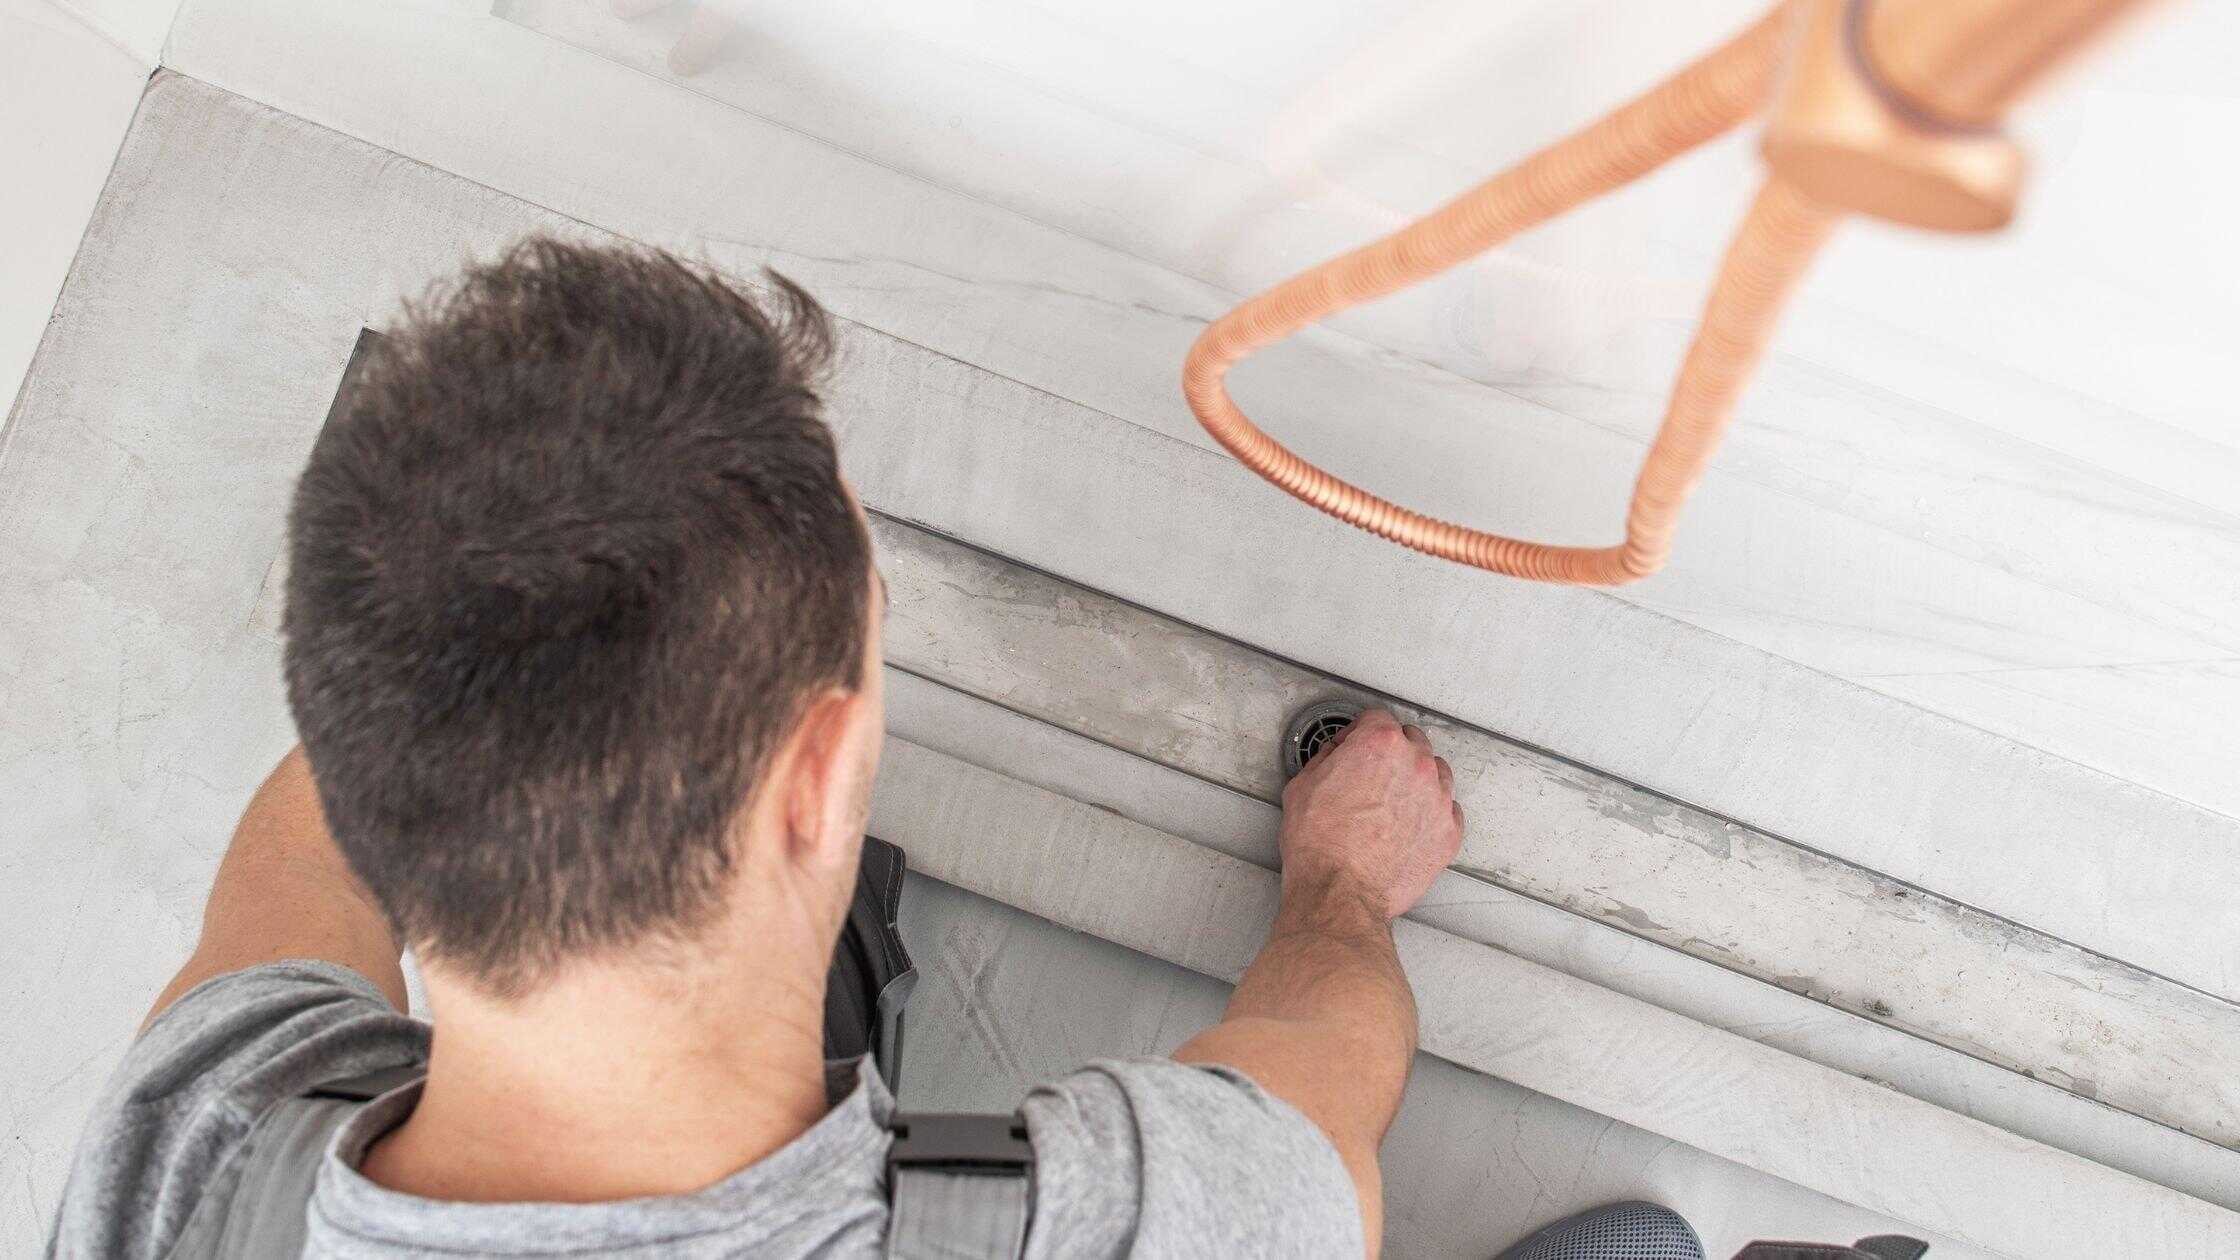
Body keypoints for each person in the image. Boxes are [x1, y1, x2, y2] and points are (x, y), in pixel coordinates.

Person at [46, 238, 1470, 1259]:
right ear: (819, 772)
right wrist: (1345, 884)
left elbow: (300, 856)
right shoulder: (1171, 1227)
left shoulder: (190, 1166)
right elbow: (1319, 1081)